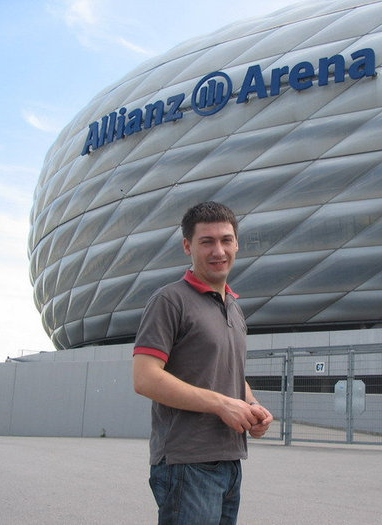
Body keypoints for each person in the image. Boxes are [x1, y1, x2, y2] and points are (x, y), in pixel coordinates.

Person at [132, 201, 273, 525]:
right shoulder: (170, 301)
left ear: (237, 243)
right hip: (186, 464)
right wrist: (222, 405)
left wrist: (251, 405)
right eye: (206, 241)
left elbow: (229, 372)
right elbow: (145, 378)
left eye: (226, 240)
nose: (218, 250)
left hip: (230, 460)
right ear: (187, 246)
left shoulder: (234, 308)